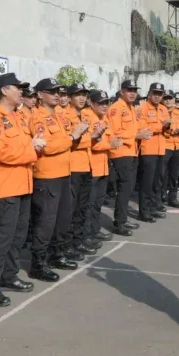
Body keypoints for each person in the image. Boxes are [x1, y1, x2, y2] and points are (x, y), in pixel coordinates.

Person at [0, 73, 41, 307]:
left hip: (22, 182)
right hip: (4, 186)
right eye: (18, 88)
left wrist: (33, 146)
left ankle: (8, 275)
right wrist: (33, 150)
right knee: (2, 237)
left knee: (18, 235)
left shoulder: (17, 117)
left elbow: (22, 146)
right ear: (4, 90)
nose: (22, 92)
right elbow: (3, 153)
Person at [27, 77, 85, 281]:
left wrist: (74, 137)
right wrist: (71, 138)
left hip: (63, 173)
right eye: (51, 92)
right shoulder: (37, 118)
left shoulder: (59, 117)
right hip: (47, 175)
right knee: (45, 221)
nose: (57, 95)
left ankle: (56, 254)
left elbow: (64, 142)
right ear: (40, 95)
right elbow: (48, 146)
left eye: (59, 92)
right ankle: (38, 263)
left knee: (62, 219)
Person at [107, 80, 148, 236]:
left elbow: (133, 128)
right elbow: (114, 132)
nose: (132, 93)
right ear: (122, 92)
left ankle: (123, 219)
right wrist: (135, 135)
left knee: (128, 189)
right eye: (129, 90)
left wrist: (142, 132)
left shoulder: (130, 108)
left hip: (132, 151)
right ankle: (119, 223)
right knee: (124, 189)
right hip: (121, 153)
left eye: (134, 90)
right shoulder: (116, 109)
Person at [65, 84, 102, 255]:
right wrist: (91, 138)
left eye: (84, 95)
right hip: (73, 168)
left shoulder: (82, 117)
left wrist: (94, 137)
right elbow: (71, 142)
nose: (81, 98)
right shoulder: (65, 116)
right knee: (71, 210)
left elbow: (83, 141)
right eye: (78, 95)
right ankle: (69, 244)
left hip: (86, 165)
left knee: (82, 207)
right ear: (70, 97)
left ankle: (78, 240)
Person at [82, 90, 117, 246]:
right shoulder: (86, 116)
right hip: (92, 167)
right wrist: (110, 145)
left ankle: (94, 230)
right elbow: (92, 143)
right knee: (88, 204)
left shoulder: (104, 118)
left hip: (103, 165)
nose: (104, 106)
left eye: (106, 103)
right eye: (100, 103)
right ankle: (86, 234)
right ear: (91, 103)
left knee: (98, 202)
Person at [136, 83, 167, 223]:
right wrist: (162, 126)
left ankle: (154, 207)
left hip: (161, 149)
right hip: (148, 149)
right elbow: (143, 128)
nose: (157, 96)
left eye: (160, 94)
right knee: (147, 182)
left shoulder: (163, 109)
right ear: (149, 94)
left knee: (157, 181)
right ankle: (144, 211)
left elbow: (167, 128)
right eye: (155, 93)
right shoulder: (143, 108)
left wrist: (169, 127)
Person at [160, 91, 179, 209]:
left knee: (175, 174)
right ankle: (161, 196)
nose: (168, 101)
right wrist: (171, 132)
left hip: (177, 146)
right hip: (165, 145)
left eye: (170, 98)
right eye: (166, 99)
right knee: (162, 174)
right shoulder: (160, 112)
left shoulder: (178, 113)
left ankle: (173, 197)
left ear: (174, 100)